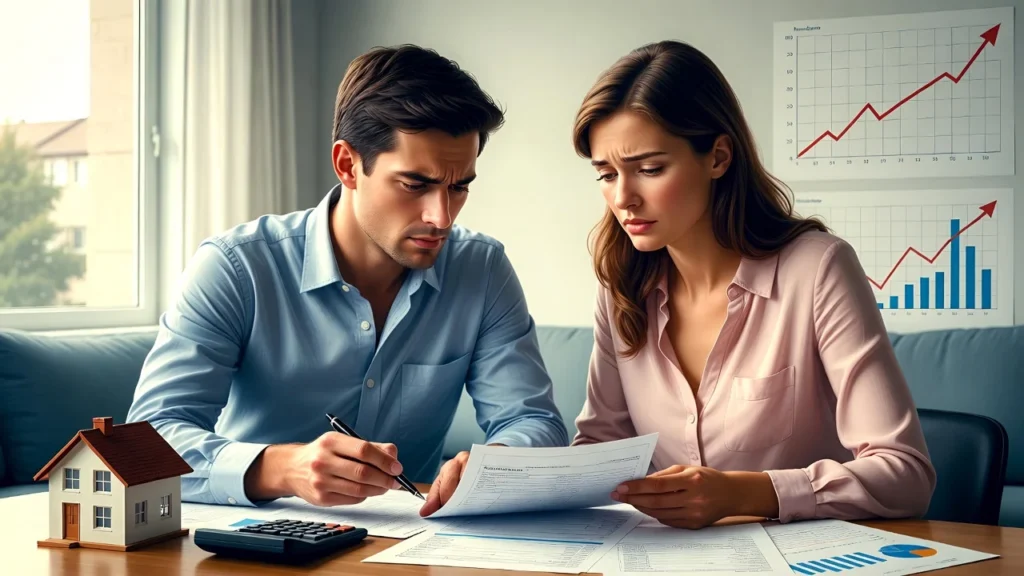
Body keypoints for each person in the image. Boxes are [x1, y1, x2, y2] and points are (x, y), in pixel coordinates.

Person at [127, 44, 568, 516]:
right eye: (415, 184)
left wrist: (496, 465)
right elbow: (149, 440)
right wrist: (280, 469)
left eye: (459, 186)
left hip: (411, 545)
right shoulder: (237, 268)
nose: (441, 216)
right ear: (346, 165)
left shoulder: (481, 270)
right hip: (251, 540)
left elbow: (533, 421)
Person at [569, 40, 936, 529]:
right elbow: (600, 452)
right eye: (606, 174)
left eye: (650, 169)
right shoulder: (620, 285)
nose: (623, 198)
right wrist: (502, 475)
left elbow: (905, 474)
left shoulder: (818, 269)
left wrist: (748, 493)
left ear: (718, 157)